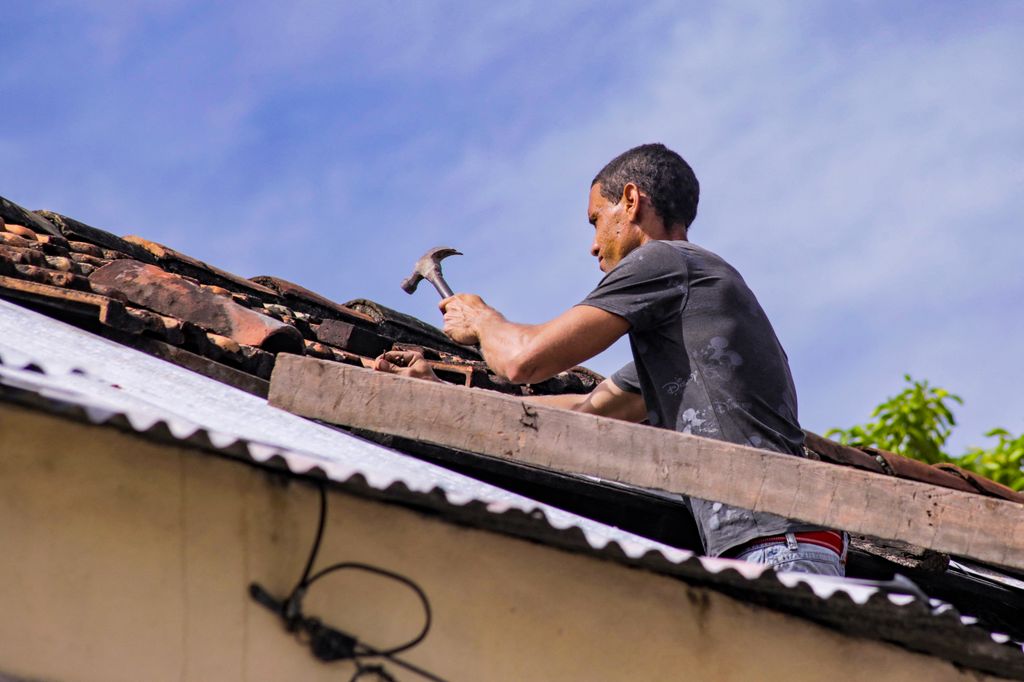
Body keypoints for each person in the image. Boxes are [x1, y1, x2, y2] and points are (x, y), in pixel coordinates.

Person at [376, 143, 846, 576]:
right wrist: (446, 392)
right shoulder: (689, 338)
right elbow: (586, 413)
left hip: (777, 546)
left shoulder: (666, 260)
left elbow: (523, 363)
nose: (594, 244)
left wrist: (482, 320)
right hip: (784, 542)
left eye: (596, 220)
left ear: (631, 200)